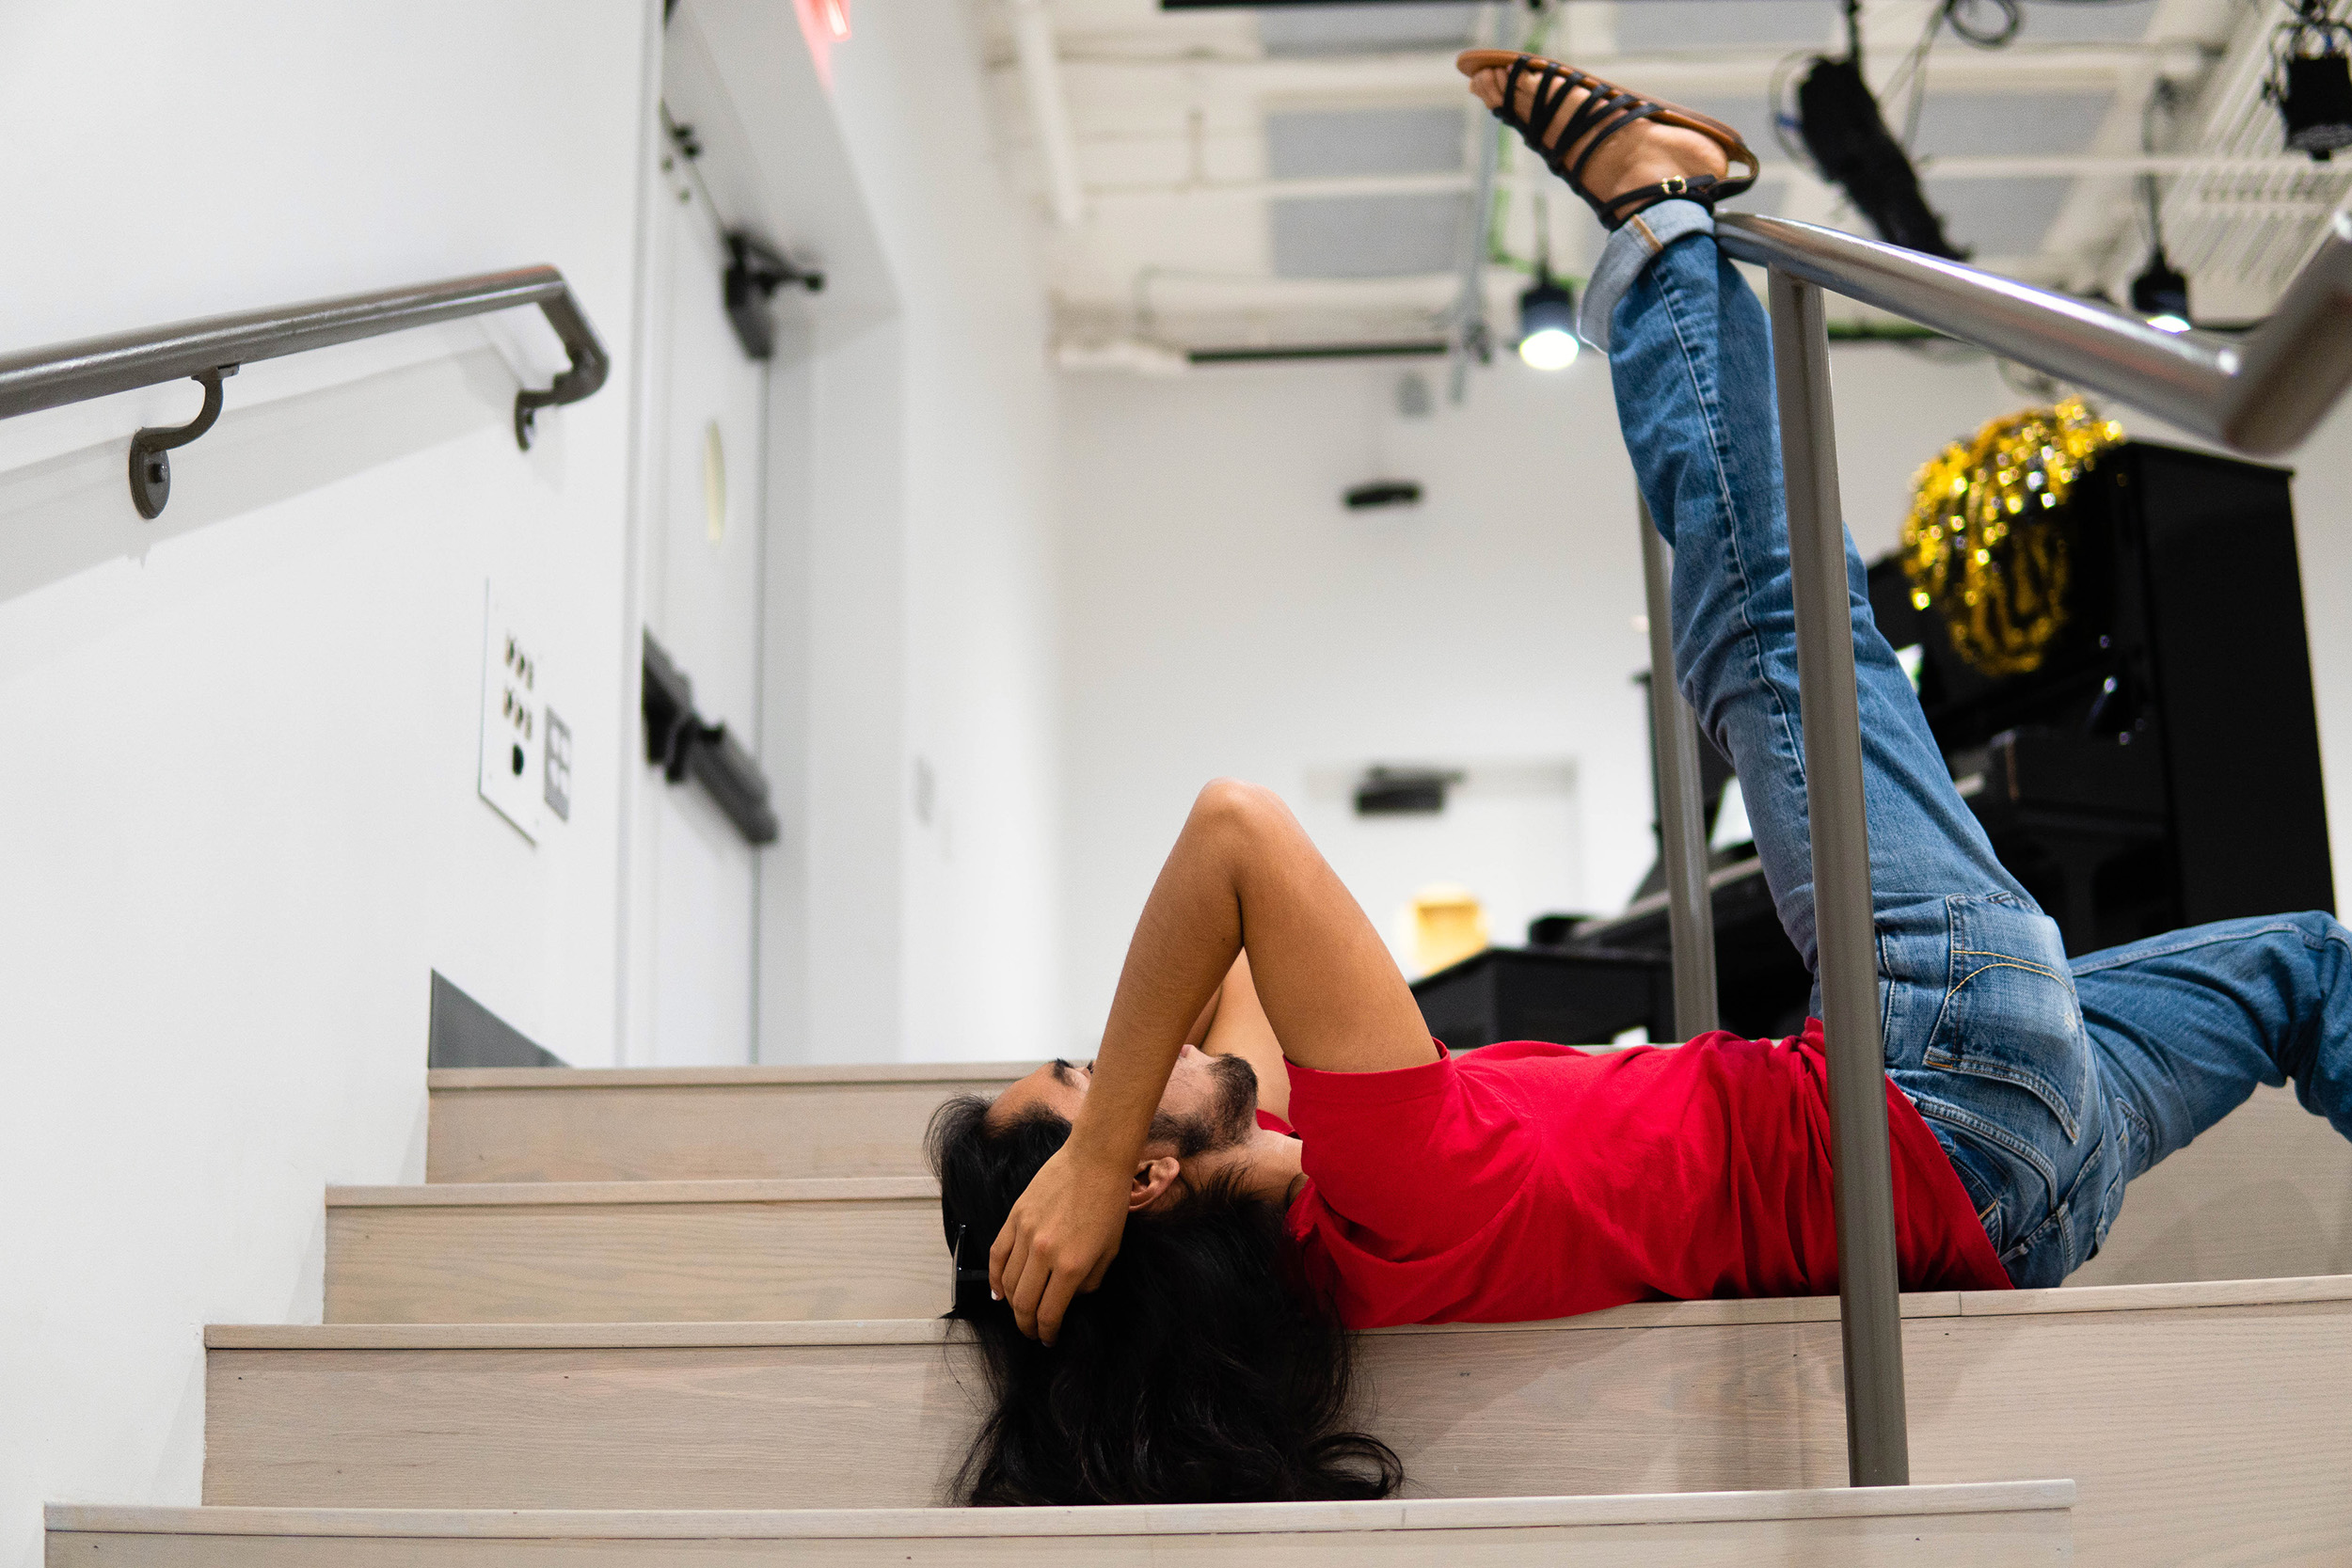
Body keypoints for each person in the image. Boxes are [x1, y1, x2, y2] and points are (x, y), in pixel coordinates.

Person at [929, 49, 2352, 1508]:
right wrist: (1090, 1164)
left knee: (2310, 967)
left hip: (2016, 1199)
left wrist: (1104, 1155)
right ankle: (1656, 213)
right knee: (1767, 621)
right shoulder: (1382, 1189)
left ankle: (1668, 218)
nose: (1113, 1055)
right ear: (1147, 1181)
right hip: (1930, 1092)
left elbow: (1220, 970)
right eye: (1088, 1071)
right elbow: (1234, 835)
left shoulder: (1305, 1153)